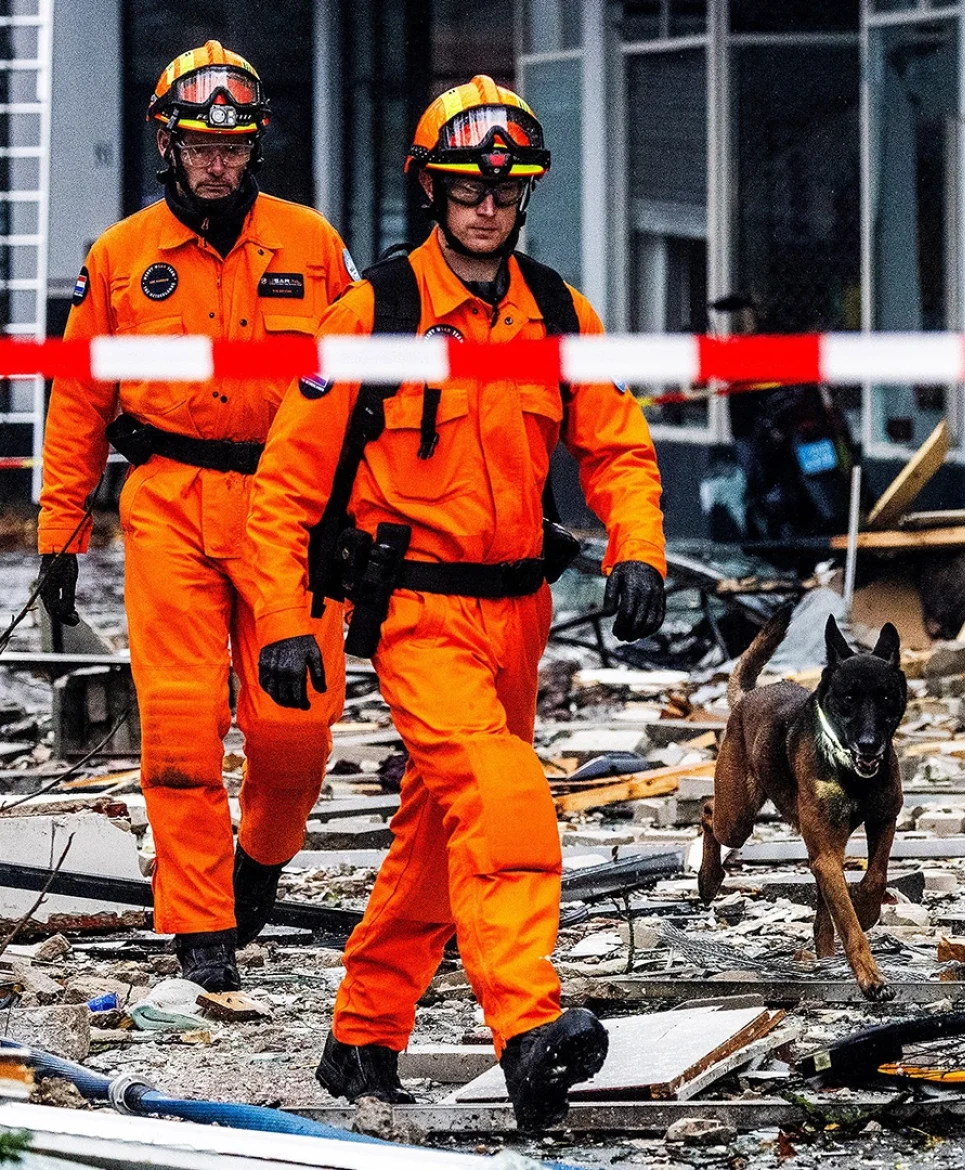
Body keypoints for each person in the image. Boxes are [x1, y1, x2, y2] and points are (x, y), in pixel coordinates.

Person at [247, 75, 667, 1130]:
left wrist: (641, 551)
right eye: (466, 187)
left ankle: (363, 1035)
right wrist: (287, 620)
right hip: (419, 615)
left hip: (518, 615)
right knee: (504, 797)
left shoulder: (560, 311)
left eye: (508, 187)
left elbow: (616, 444)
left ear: (525, 194)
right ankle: (528, 1029)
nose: (487, 204)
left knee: (440, 831)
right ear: (429, 190)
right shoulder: (376, 313)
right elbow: (288, 484)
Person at [36, 41, 355, 993]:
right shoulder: (121, 259)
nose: (216, 160)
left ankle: (259, 856)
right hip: (168, 501)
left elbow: (359, 395)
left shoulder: (311, 246)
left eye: (234, 143)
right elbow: (78, 400)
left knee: (296, 728)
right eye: (198, 144)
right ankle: (200, 919)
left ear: (255, 146)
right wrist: (60, 531)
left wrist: (363, 514)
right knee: (180, 724)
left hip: (287, 509)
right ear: (167, 146)